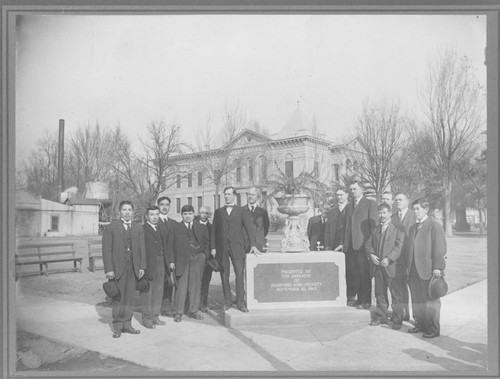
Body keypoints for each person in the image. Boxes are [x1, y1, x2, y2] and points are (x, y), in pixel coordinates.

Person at [211, 186, 260, 312]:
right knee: (224, 274)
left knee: (239, 274)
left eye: (229, 194)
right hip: (222, 248)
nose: (226, 196)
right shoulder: (218, 212)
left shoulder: (241, 211)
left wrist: (253, 244)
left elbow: (249, 228)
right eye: (225, 194)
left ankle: (240, 303)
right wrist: (213, 247)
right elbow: (213, 231)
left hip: (237, 247)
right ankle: (227, 302)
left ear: (234, 196)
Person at [102, 200, 146, 338]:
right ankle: (118, 326)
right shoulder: (111, 228)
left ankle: (128, 324)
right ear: (119, 212)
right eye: (124, 210)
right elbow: (106, 250)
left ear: (133, 212)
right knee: (118, 297)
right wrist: (109, 269)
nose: (127, 212)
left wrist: (142, 266)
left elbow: (142, 249)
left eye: (129, 210)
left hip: (133, 267)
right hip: (117, 268)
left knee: (129, 298)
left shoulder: (138, 228)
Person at [406, 198, 446, 338]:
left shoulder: (434, 226)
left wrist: (438, 267)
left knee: (431, 301)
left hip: (428, 270)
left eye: (418, 209)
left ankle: (433, 329)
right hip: (413, 271)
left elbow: (440, 249)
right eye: (414, 209)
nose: (415, 212)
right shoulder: (412, 228)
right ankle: (420, 324)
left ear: (426, 209)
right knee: (417, 299)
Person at [365, 203, 406, 329]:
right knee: (380, 294)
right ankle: (381, 317)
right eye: (380, 213)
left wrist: (389, 258)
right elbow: (368, 244)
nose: (381, 215)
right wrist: (371, 255)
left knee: (396, 295)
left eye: (384, 213)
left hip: (392, 267)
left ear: (390, 213)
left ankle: (397, 320)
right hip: (378, 268)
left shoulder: (398, 228)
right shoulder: (376, 229)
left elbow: (399, 246)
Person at [338, 180, 378, 309]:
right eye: (351, 189)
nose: (352, 191)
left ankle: (365, 301)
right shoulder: (349, 206)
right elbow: (346, 226)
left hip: (363, 245)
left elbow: (374, 227)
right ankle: (358, 299)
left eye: (354, 189)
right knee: (355, 274)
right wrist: (344, 243)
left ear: (361, 189)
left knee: (364, 274)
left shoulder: (370, 204)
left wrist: (369, 245)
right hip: (350, 246)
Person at [172, 204, 210, 322]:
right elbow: (170, 244)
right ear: (182, 215)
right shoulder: (176, 227)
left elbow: (207, 242)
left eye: (190, 214)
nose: (188, 216)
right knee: (181, 286)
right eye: (185, 214)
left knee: (195, 285)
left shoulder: (201, 227)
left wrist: (204, 255)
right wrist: (172, 261)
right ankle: (179, 312)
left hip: (197, 259)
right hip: (182, 260)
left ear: (194, 214)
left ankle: (193, 310)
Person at [140, 206, 174, 329]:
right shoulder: (142, 229)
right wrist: (142, 266)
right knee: (147, 292)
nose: (155, 217)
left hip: (161, 263)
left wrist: (169, 261)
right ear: (146, 216)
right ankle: (147, 318)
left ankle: (155, 316)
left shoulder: (161, 228)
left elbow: (166, 246)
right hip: (148, 264)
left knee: (158, 291)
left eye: (156, 214)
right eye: (152, 214)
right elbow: (140, 249)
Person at [391, 192, 417, 322]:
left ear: (407, 201)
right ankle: (402, 314)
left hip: (411, 259)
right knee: (398, 288)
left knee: (414, 289)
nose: (397, 202)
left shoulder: (414, 216)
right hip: (397, 259)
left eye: (400, 200)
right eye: (395, 200)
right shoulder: (392, 218)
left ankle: (417, 317)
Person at [157, 196, 177, 318]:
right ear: (158, 206)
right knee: (158, 285)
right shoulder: (154, 221)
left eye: (167, 205)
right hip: (158, 258)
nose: (164, 207)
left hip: (170, 259)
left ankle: (167, 308)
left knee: (169, 283)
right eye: (162, 204)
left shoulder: (173, 223)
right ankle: (155, 309)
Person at [244, 187, 270, 252]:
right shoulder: (241, 211)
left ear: (258, 197)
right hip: (245, 246)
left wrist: (259, 237)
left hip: (260, 245)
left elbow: (266, 228)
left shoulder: (263, 212)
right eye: (249, 194)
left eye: (253, 195)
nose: (250, 196)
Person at [198, 205, 213, 313]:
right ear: (199, 213)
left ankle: (203, 304)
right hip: (196, 259)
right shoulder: (193, 225)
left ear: (209, 215)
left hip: (208, 261)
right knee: (194, 283)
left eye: (206, 213)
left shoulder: (212, 227)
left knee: (205, 283)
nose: (204, 215)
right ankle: (191, 305)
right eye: (202, 213)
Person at [325, 188, 348, 252]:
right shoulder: (332, 211)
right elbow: (327, 229)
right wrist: (327, 245)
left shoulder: (351, 209)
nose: (339, 197)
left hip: (348, 246)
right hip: (334, 245)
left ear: (347, 195)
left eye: (341, 195)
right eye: (337, 195)